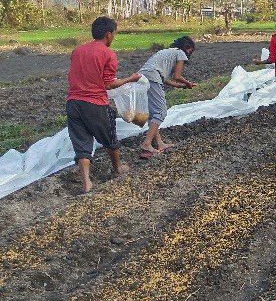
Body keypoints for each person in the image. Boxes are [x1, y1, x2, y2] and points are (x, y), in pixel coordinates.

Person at [66, 16, 141, 193]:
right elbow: (108, 83)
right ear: (108, 34)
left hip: (73, 103)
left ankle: (86, 183)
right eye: (113, 34)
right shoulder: (108, 54)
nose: (113, 37)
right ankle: (117, 168)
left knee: (82, 144)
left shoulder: (77, 51)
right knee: (110, 138)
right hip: (94, 103)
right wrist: (131, 79)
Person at [138, 36, 196, 157]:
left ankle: (159, 143)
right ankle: (147, 144)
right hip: (152, 77)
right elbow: (177, 76)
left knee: (154, 113)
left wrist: (182, 86)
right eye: (191, 49)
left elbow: (166, 80)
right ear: (188, 47)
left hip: (142, 78)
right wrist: (188, 83)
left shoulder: (167, 52)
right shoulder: (181, 53)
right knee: (161, 111)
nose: (190, 52)